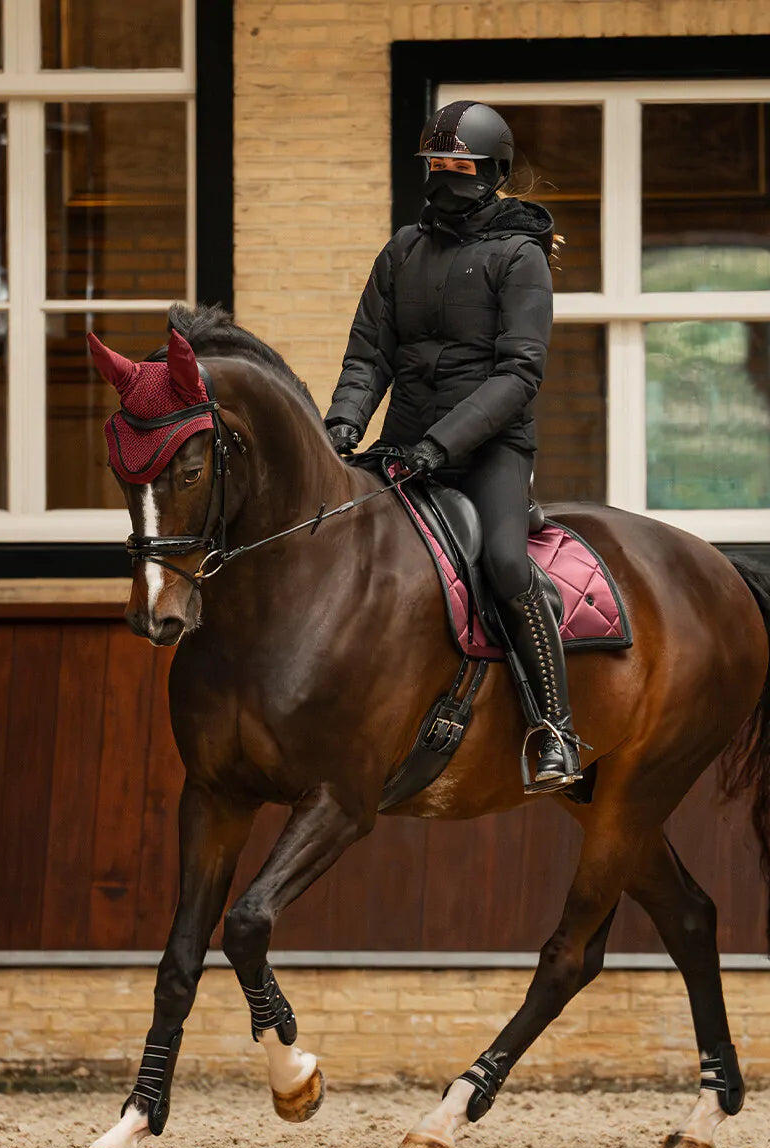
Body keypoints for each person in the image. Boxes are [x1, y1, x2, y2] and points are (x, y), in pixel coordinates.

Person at [323, 100, 581, 792]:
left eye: (459, 166)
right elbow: (367, 355)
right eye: (435, 165)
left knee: (501, 560)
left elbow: (519, 373)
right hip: (403, 445)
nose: (444, 178)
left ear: (491, 172)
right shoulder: (401, 250)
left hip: (489, 452)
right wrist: (343, 425)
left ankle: (554, 727)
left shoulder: (520, 257)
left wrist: (442, 445)